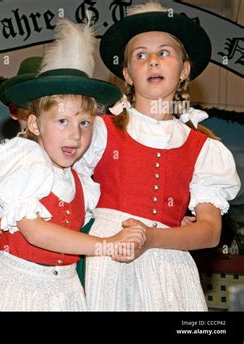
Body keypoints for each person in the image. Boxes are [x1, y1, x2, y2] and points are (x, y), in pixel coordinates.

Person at [0, 19, 145, 311]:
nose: (75, 134)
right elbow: (37, 232)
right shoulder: (22, 161)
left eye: (85, 123)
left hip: (65, 290)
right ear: (35, 124)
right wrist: (109, 244)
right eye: (62, 121)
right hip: (18, 289)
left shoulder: (80, 181)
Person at [79, 1, 241, 310]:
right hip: (107, 259)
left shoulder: (204, 148)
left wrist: (153, 238)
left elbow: (209, 232)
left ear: (184, 70)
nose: (153, 61)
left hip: (168, 267)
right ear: (127, 74)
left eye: (164, 53)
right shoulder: (98, 131)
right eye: (141, 55)